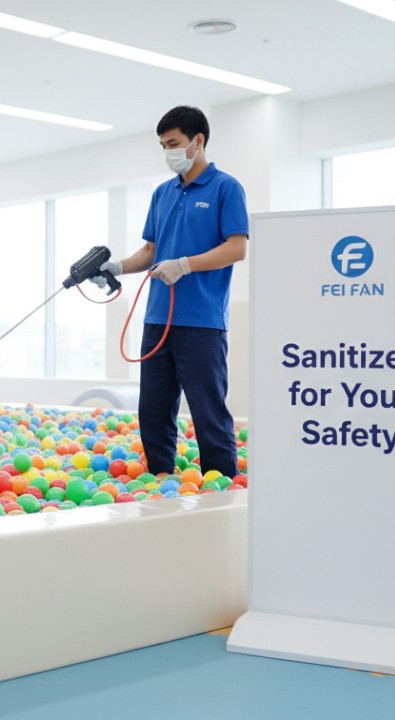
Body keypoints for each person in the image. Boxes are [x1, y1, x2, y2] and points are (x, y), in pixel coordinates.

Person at [94, 105, 248, 478]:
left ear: (199, 141)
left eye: (174, 143)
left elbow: (236, 247)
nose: (168, 153)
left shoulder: (226, 188)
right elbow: (150, 251)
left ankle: (220, 486)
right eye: (163, 145)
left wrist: (185, 264)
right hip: (157, 319)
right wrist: (117, 267)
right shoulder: (162, 193)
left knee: (207, 408)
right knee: (153, 409)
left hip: (202, 322)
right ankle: (160, 480)